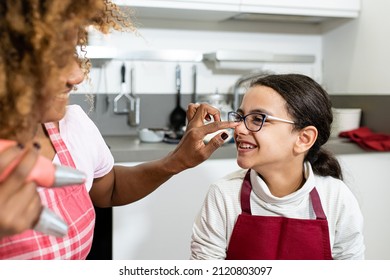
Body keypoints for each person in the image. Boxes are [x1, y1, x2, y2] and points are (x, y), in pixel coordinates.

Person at [0, 0, 237, 259]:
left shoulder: (72, 125)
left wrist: (177, 160)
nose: (77, 75)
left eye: (72, 52)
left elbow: (110, 188)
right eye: (54, 58)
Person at [190, 73, 365, 260]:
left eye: (258, 119)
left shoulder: (336, 197)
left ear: (303, 139)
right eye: (241, 117)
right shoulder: (224, 195)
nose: (239, 129)